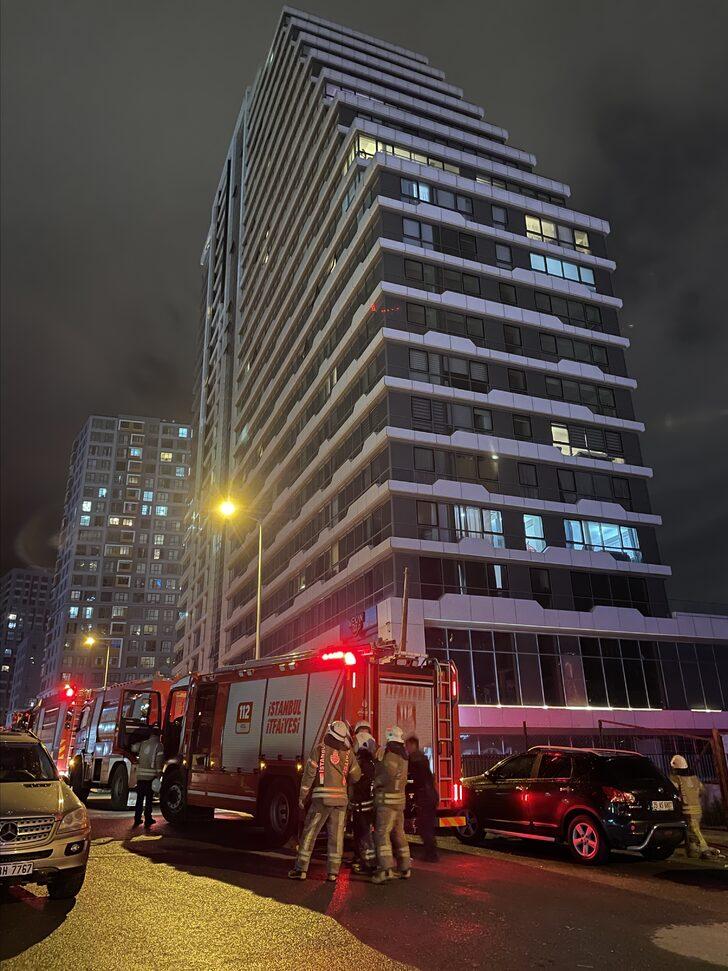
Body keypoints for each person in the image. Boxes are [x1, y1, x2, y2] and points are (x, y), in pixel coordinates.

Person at [289, 720, 361, 881]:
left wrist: (302, 797)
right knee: (336, 837)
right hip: (341, 802)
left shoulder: (319, 750)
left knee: (310, 833)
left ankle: (301, 869)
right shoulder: (349, 754)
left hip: (321, 800)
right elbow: (356, 776)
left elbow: (308, 776)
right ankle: (333, 873)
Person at [372, 725, 411, 883]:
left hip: (386, 802)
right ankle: (404, 867)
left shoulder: (390, 755)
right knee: (398, 834)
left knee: (381, 834)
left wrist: (376, 782)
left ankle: (386, 868)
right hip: (399, 802)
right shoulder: (403, 756)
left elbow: (386, 775)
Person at [669, 754, 716, 860]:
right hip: (698, 809)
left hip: (687, 810)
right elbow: (702, 791)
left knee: (694, 830)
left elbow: (673, 791)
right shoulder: (695, 778)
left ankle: (704, 849)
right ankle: (692, 851)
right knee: (689, 831)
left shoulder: (676, 779)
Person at [405, 734, 439, 862]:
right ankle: (431, 852)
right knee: (426, 825)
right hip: (430, 795)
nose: (406, 748)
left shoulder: (415, 759)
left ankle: (431, 854)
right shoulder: (421, 758)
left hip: (426, 797)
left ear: (413, 745)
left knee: (424, 825)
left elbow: (414, 779)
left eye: (407, 745)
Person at [349, 720, 377, 873]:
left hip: (360, 804)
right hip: (369, 803)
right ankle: (360, 858)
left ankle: (367, 862)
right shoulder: (372, 764)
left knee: (362, 832)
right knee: (363, 832)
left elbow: (352, 781)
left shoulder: (358, 764)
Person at [132, 726, 164, 827]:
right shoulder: (159, 746)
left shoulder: (143, 744)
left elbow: (133, 749)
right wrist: (159, 775)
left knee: (139, 799)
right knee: (149, 800)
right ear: (159, 735)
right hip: (150, 777)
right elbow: (159, 763)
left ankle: (137, 819)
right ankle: (148, 819)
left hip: (140, 776)